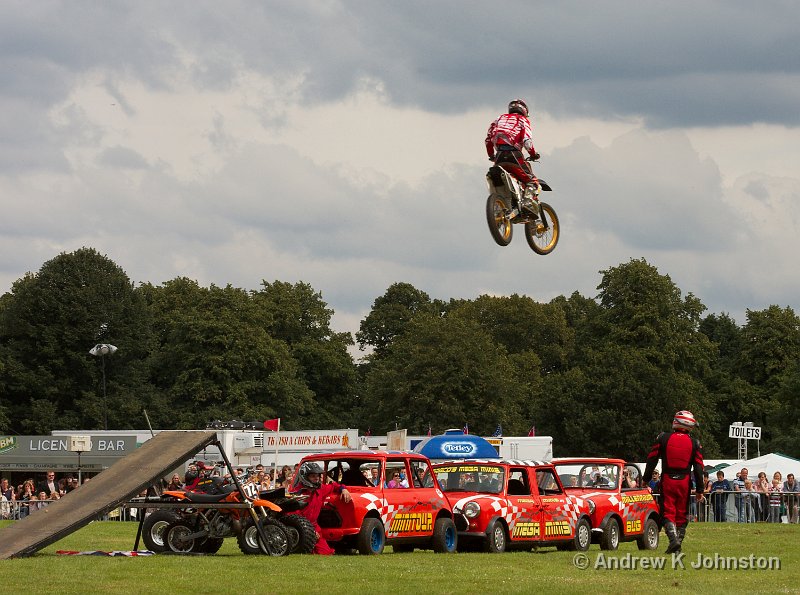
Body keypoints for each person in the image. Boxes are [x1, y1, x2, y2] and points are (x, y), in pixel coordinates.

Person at [643, 410, 704, 554]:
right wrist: (700, 490)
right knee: (681, 513)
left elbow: (652, 459)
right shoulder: (695, 443)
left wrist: (645, 479)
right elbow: (699, 468)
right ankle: (677, 545)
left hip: (668, 480)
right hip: (685, 482)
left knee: (667, 513)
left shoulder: (663, 437)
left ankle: (673, 541)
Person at [485, 99, 541, 212]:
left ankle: (507, 205)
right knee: (532, 182)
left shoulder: (498, 119)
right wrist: (533, 154)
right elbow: (527, 141)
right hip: (514, 155)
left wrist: (491, 155)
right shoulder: (523, 120)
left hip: (499, 157)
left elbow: (488, 140)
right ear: (525, 110)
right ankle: (527, 203)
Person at [289, 461, 351, 555]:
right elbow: (293, 516)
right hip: (299, 528)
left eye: (318, 475)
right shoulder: (296, 493)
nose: (317, 478)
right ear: (305, 476)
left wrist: (343, 489)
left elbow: (333, 486)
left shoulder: (320, 489)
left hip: (315, 528)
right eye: (313, 476)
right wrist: (309, 530)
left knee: (325, 552)